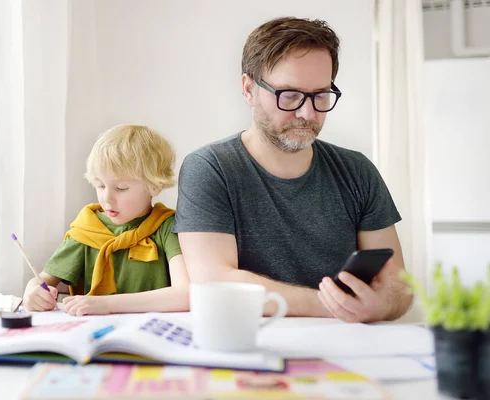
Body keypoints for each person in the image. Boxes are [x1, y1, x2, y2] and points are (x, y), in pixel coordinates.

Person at [172, 17, 412, 322]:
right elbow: (216, 281)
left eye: (320, 95)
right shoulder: (210, 168)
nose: (307, 113)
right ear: (248, 89)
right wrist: (336, 306)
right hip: (253, 347)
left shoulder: (357, 171)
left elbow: (399, 286)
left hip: (349, 350)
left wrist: (382, 304)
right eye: (289, 95)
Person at [23, 124, 189, 315]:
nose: (107, 198)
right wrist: (32, 292)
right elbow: (42, 280)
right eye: (100, 185)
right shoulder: (87, 228)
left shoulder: (167, 227)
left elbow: (185, 294)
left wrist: (107, 305)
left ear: (154, 186)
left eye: (120, 188)